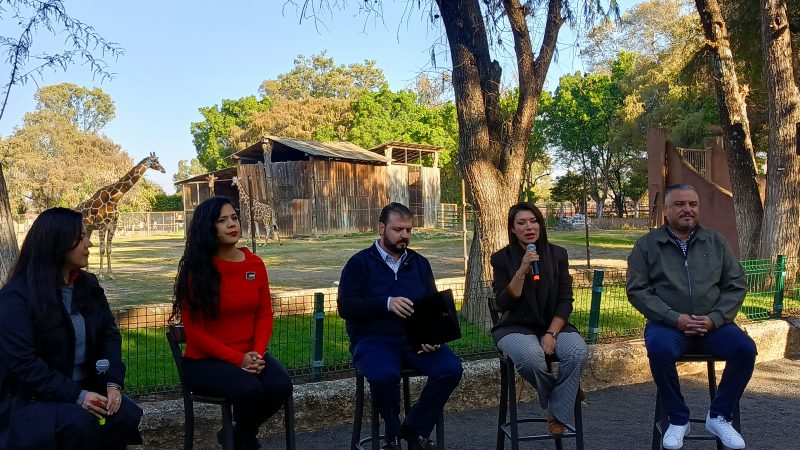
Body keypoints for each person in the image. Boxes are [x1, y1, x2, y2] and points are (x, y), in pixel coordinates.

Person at [0, 207, 142, 450]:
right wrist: (78, 396)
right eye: (81, 237)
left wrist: (112, 383)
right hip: (33, 397)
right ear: (57, 243)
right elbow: (24, 364)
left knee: (125, 415)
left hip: (86, 387)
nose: (89, 244)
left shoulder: (88, 285)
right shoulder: (16, 297)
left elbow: (109, 334)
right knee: (79, 423)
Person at [627, 184, 756, 450]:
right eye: (680, 204)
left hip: (714, 325)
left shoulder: (716, 241)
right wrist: (675, 318)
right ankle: (677, 418)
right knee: (660, 350)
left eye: (693, 204)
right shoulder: (648, 245)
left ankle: (719, 415)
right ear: (666, 210)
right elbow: (638, 290)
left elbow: (736, 285)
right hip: (668, 325)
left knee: (745, 348)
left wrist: (715, 318)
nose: (687, 210)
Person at [337, 202, 463, 450]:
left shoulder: (419, 263)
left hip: (416, 341)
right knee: (384, 375)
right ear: (381, 228)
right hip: (374, 341)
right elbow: (346, 307)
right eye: (397, 229)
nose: (404, 235)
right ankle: (392, 435)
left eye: (408, 230)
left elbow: (433, 307)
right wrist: (385, 303)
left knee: (451, 369)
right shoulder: (359, 263)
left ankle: (414, 429)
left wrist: (434, 336)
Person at [172, 196, 292, 450]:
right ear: (208, 227)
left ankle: (238, 437)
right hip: (205, 362)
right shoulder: (196, 272)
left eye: (234, 218)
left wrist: (257, 353)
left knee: (281, 385)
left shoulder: (255, 264)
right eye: (222, 220)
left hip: (250, 355)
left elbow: (264, 314)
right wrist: (238, 360)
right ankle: (244, 441)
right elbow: (195, 333)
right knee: (249, 390)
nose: (231, 224)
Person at [490, 202, 588, 435]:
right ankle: (567, 395)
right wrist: (522, 270)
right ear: (512, 229)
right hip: (514, 327)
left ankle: (557, 410)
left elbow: (566, 300)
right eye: (521, 223)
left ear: (541, 225)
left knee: (577, 352)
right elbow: (503, 302)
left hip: (553, 325)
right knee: (532, 358)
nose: (529, 227)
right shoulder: (501, 259)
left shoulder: (558, 255)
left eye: (533, 221)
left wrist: (552, 333)